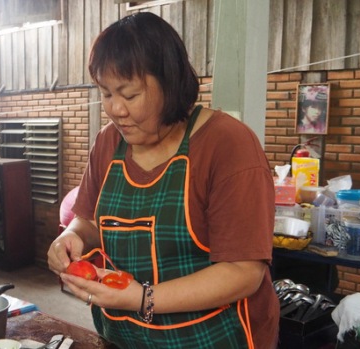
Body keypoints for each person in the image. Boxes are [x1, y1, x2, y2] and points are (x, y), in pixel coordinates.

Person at [47, 13, 279, 348]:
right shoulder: (109, 142)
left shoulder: (227, 145)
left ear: (169, 84)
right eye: (106, 93)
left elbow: (244, 273)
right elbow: (90, 222)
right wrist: (71, 237)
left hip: (214, 338)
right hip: (122, 336)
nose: (115, 109)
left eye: (129, 94)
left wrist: (143, 298)